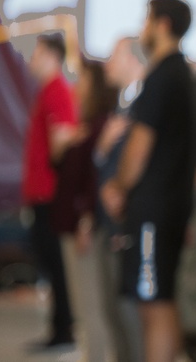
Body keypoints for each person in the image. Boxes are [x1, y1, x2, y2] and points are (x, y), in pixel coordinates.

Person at [100, 0, 196, 362]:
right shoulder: (182, 73)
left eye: (146, 20)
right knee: (163, 300)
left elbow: (140, 145)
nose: (143, 28)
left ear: (162, 24)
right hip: (170, 206)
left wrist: (118, 185)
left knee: (151, 304)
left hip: (154, 211)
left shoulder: (162, 76)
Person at [52, 58, 119, 362]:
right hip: (72, 221)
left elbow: (93, 181)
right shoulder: (84, 127)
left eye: (83, 80)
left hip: (85, 224)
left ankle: (96, 356)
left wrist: (86, 221)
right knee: (85, 301)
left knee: (91, 300)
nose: (76, 86)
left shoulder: (101, 128)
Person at [22, 33, 79, 350]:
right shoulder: (47, 93)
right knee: (51, 264)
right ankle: (59, 328)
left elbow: (63, 140)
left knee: (58, 265)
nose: (32, 60)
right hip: (41, 194)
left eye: (37, 53)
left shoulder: (57, 91)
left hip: (51, 196)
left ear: (52, 56)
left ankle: (63, 331)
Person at [99, 37, 146, 362]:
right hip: (112, 221)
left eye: (114, 55)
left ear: (132, 60)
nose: (107, 63)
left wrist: (120, 197)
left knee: (132, 314)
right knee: (114, 310)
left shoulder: (143, 108)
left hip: (129, 223)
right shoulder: (122, 107)